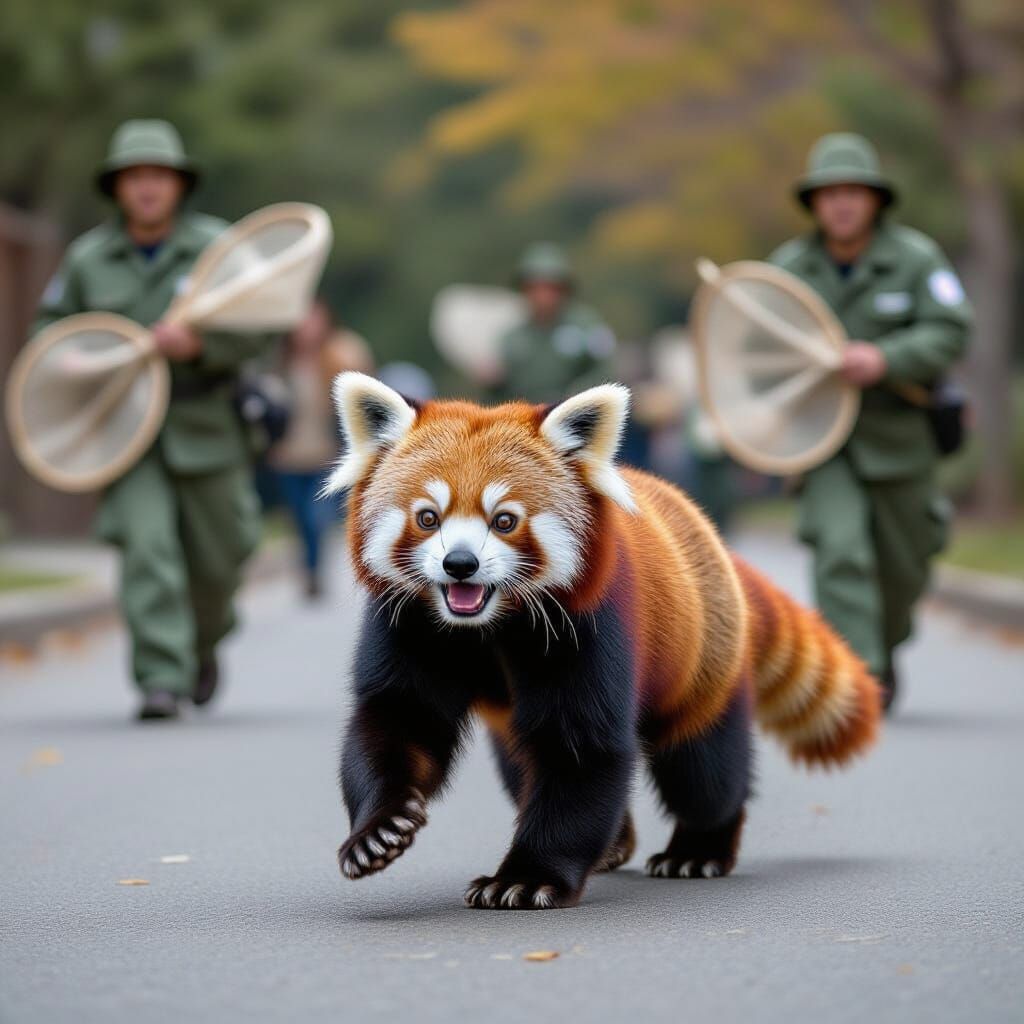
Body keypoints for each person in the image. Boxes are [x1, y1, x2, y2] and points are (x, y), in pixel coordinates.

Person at [33, 119, 275, 721]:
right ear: (116, 187)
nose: (147, 188)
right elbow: (49, 332)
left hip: (207, 423)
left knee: (222, 556)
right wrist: (74, 355)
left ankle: (202, 644)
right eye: (134, 177)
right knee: (148, 551)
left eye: (159, 176)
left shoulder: (216, 248)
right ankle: (161, 677)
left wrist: (201, 346)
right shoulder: (89, 259)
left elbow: (264, 324)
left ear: (179, 185)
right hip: (127, 431)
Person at [769, 132, 972, 711]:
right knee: (841, 550)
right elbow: (756, 344)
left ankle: (884, 642)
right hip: (824, 444)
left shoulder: (916, 259)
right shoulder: (787, 270)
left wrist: (887, 358)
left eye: (853, 192)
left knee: (905, 565)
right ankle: (860, 676)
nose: (842, 204)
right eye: (829, 193)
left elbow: (951, 328)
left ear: (875, 200)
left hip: (900, 439)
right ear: (814, 202)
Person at [268, 300, 372, 599]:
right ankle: (310, 568)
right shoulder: (282, 362)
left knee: (317, 515)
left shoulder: (341, 351)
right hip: (289, 455)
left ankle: (314, 571)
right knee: (300, 520)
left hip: (327, 454)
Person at [492, 242, 616, 403]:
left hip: (575, 410)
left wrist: (577, 395)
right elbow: (501, 395)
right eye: (535, 288)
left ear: (564, 290)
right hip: (529, 412)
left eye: (551, 288)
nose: (543, 296)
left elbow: (605, 369)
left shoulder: (587, 326)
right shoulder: (512, 338)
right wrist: (494, 383)